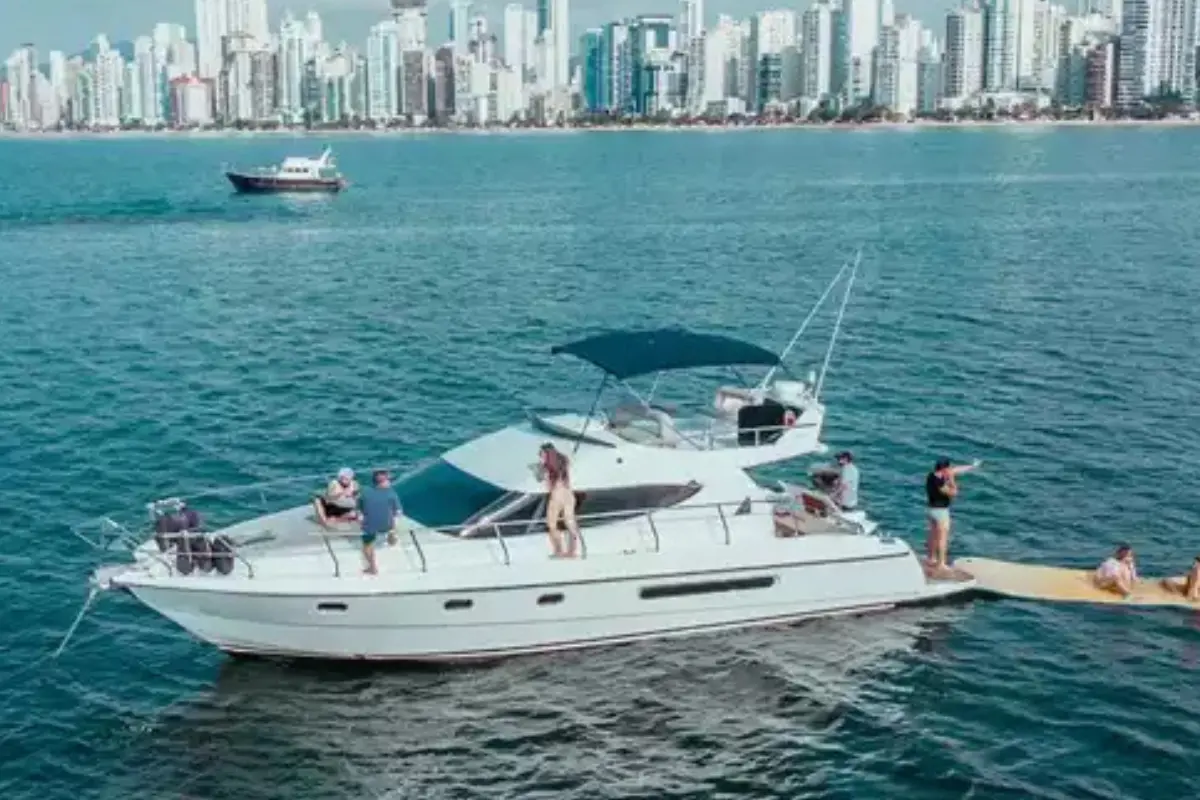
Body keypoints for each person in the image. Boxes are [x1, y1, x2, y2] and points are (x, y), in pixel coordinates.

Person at [924, 457, 983, 571]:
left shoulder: (931, 475)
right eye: (948, 468)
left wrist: (972, 466)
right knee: (942, 539)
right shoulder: (940, 482)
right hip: (941, 512)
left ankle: (931, 558)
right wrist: (952, 480)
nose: (950, 470)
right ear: (944, 468)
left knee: (932, 536)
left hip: (931, 510)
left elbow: (956, 470)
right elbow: (954, 493)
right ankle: (941, 564)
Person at [539, 443, 580, 558]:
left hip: (557, 495)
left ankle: (559, 551)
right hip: (568, 495)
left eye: (541, 453)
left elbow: (547, 485)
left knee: (552, 524)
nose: (540, 456)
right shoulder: (564, 462)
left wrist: (541, 467)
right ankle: (572, 551)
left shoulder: (547, 467)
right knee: (570, 524)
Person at [357, 469, 401, 575]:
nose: (389, 482)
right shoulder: (391, 493)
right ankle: (392, 537)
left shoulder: (364, 492)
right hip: (387, 525)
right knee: (394, 520)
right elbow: (398, 512)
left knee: (367, 545)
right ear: (384, 482)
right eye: (388, 480)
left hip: (370, 527)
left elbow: (359, 510)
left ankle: (372, 568)